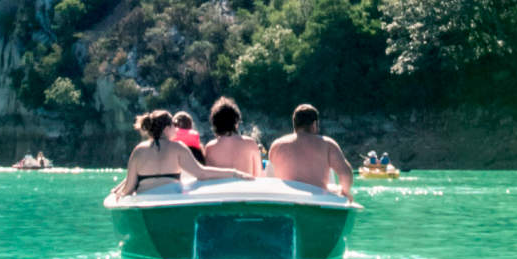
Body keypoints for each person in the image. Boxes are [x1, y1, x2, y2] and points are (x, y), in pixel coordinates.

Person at [112, 110, 247, 197]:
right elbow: (202, 173)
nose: (176, 129)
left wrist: (117, 194)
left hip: (144, 200)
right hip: (171, 200)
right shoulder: (178, 148)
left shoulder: (138, 151)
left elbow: (129, 188)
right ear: (166, 128)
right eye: (173, 125)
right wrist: (235, 173)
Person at [265, 104, 354, 199]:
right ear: (314, 124)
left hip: (286, 198)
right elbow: (345, 173)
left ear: (294, 124)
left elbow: (271, 177)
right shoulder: (327, 144)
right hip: (317, 199)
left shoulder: (277, 145)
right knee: (335, 189)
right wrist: (344, 192)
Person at [202, 97, 262, 178]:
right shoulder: (250, 144)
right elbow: (259, 176)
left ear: (215, 124)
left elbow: (209, 178)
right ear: (236, 122)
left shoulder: (209, 148)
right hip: (245, 190)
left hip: (222, 190)